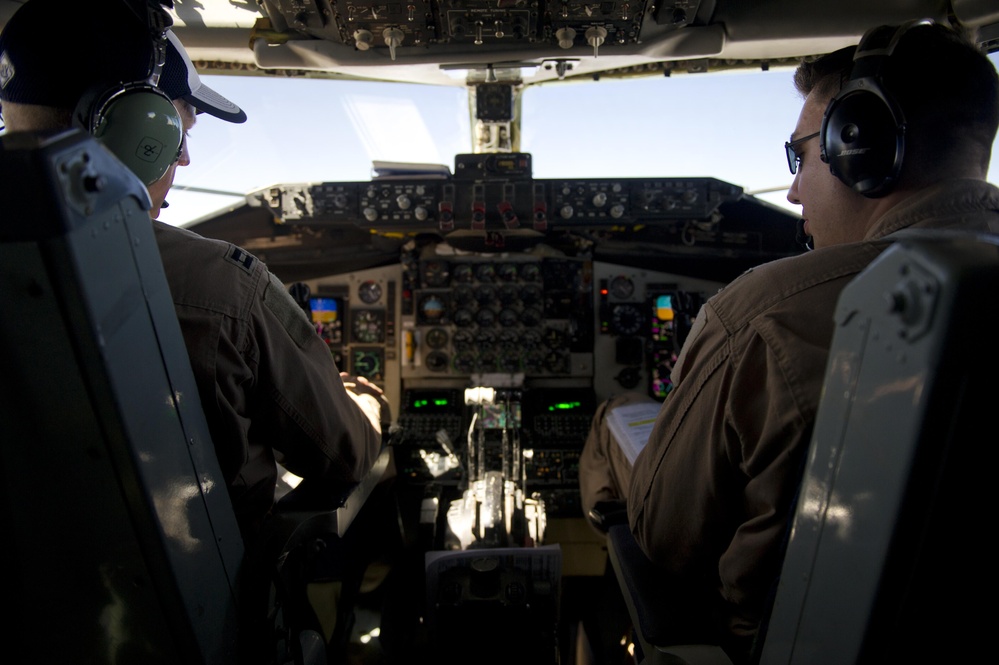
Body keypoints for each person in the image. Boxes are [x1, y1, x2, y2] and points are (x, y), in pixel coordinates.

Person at [579, 19, 999, 663]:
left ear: (859, 143)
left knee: (621, 414)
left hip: (761, 646)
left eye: (801, 155)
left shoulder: (764, 312)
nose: (796, 188)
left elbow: (667, 534)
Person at [0, 0, 388, 553]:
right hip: (215, 621)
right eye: (179, 132)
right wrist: (367, 403)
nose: (182, 160)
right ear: (137, 127)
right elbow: (343, 453)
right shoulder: (220, 289)